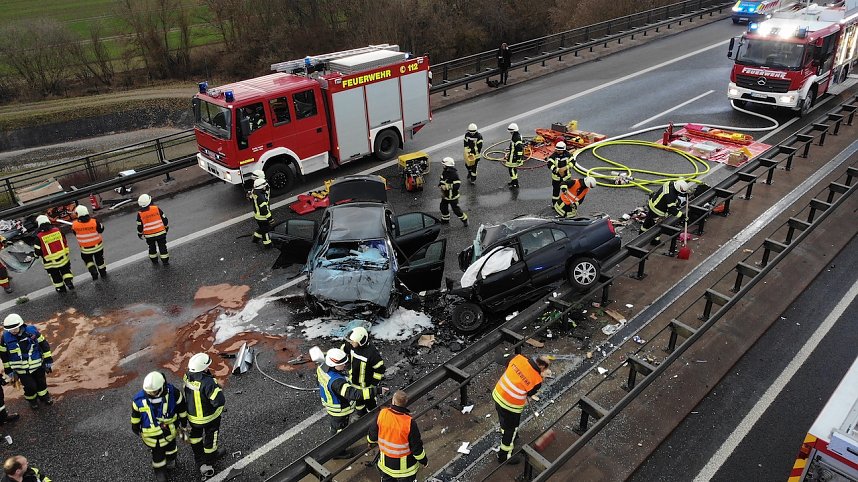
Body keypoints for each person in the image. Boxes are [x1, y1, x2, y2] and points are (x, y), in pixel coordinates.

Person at [317, 347, 387, 458]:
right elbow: (354, 394)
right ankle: (337, 453)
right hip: (339, 411)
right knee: (340, 432)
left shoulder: (322, 368)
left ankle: (334, 449)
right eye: (342, 364)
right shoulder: (337, 382)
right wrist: (376, 391)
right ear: (333, 365)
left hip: (331, 405)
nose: (345, 365)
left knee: (335, 428)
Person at [493, 354, 550, 464]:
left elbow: (502, 359)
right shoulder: (537, 380)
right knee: (511, 429)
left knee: (503, 418)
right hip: (510, 405)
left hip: (498, 394)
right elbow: (531, 393)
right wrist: (541, 377)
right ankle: (504, 456)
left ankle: (504, 430)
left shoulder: (518, 358)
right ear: (542, 368)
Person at [131, 371, 188, 482]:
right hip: (152, 436)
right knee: (158, 456)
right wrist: (135, 427)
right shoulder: (138, 400)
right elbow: (135, 416)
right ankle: (160, 472)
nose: (151, 393)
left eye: (154, 391)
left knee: (171, 449)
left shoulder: (174, 393)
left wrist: (184, 422)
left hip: (169, 431)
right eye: (149, 391)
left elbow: (182, 408)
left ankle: (171, 461)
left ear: (162, 386)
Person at [367, 390, 428, 482]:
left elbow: (372, 434)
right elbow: (416, 447)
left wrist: (371, 443)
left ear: (393, 401)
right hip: (406, 470)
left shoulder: (382, 414)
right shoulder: (409, 423)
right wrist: (424, 461)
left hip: (386, 466)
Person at [183, 353, 225, 479]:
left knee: (195, 437)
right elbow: (219, 401)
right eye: (207, 366)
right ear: (203, 368)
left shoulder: (187, 376)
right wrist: (217, 388)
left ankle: (199, 459)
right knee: (211, 436)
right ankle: (211, 457)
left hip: (192, 417)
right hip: (209, 418)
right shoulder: (208, 383)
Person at [0, 314, 53, 410]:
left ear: (21, 325)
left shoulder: (32, 331)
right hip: (21, 370)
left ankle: (44, 397)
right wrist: (8, 370)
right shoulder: (5, 337)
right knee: (30, 386)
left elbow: (43, 344)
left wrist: (48, 359)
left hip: (37, 365)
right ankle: (32, 400)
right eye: (10, 330)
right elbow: (3, 354)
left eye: (15, 329)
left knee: (41, 382)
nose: (13, 331)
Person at [340, 327, 385, 415]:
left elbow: (379, 370)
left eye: (353, 341)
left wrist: (373, 385)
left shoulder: (372, 353)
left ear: (360, 341)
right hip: (354, 383)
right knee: (359, 405)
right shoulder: (351, 346)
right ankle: (361, 418)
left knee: (371, 406)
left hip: (367, 386)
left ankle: (372, 418)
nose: (351, 343)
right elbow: (343, 350)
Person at [640, 179, 691, 244]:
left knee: (648, 221)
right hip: (658, 210)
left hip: (653, 203)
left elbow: (667, 197)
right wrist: (682, 216)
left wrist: (680, 197)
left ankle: (641, 233)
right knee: (657, 228)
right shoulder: (671, 196)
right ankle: (655, 241)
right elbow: (672, 210)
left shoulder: (670, 183)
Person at [32, 215, 74, 293]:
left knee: (55, 276)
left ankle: (60, 289)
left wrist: (35, 255)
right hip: (63, 258)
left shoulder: (39, 237)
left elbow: (37, 251)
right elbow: (64, 241)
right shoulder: (57, 230)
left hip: (50, 263)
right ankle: (69, 282)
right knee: (66, 271)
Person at [71, 205, 107, 281]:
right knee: (100, 260)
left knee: (88, 261)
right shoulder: (94, 222)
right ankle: (103, 273)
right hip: (98, 247)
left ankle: (93, 271)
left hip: (85, 249)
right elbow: (101, 229)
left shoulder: (74, 224)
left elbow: (75, 233)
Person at [136, 194, 170, 265]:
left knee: (152, 247)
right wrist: (166, 227)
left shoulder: (140, 214)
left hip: (149, 236)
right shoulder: (156, 208)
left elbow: (140, 226)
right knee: (162, 246)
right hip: (161, 233)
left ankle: (154, 261)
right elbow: (165, 219)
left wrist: (139, 234)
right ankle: (165, 261)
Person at [438, 157, 469, 227]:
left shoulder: (454, 174)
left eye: (444, 164)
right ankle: (445, 220)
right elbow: (442, 179)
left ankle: (465, 219)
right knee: (443, 207)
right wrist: (440, 184)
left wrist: (447, 187)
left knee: (456, 210)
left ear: (447, 165)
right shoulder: (445, 172)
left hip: (453, 197)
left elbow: (457, 185)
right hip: (445, 196)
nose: (443, 166)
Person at [547, 141, 572, 210]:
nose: (557, 151)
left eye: (559, 150)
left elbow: (573, 162)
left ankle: (567, 204)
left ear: (563, 150)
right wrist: (557, 170)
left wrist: (565, 168)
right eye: (557, 149)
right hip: (556, 178)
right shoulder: (553, 156)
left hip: (566, 178)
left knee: (566, 191)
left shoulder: (568, 155)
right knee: (556, 192)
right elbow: (549, 164)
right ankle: (555, 204)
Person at [250, 178, 272, 247]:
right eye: (264, 186)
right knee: (266, 230)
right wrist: (270, 218)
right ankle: (267, 244)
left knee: (262, 228)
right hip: (262, 217)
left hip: (257, 216)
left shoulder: (255, 192)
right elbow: (264, 209)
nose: (266, 187)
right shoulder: (261, 197)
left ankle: (255, 238)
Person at [504, 123, 525, 189]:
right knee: (513, 169)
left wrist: (518, 158)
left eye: (511, 132)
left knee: (511, 169)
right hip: (513, 155)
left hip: (513, 157)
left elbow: (519, 149)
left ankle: (515, 183)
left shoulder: (516, 138)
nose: (510, 133)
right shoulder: (516, 136)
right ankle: (514, 181)